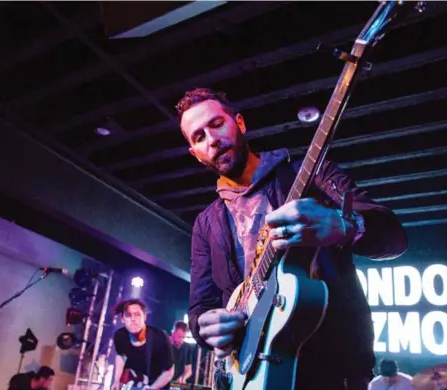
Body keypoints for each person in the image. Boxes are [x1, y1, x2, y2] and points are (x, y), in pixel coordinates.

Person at [177, 88, 408, 390]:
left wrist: (343, 225)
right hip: (247, 374)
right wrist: (206, 328)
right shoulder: (206, 224)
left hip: (331, 368)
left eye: (217, 124)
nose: (212, 139)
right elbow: (201, 307)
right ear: (196, 154)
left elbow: (394, 236)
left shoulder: (309, 175)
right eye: (199, 137)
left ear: (240, 123)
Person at [111, 299, 174, 390]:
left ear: (144, 316)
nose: (133, 319)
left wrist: (153, 388)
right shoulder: (120, 335)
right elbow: (121, 356)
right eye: (128, 315)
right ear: (122, 319)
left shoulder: (159, 337)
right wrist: (116, 380)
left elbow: (169, 372)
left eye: (137, 314)